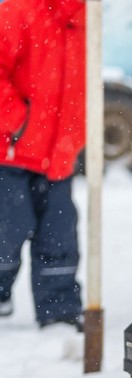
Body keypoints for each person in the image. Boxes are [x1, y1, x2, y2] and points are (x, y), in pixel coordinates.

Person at [0, 0, 85, 329]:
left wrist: (77, 135)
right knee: (7, 232)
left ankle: (60, 313)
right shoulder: (18, 11)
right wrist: (18, 121)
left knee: (59, 238)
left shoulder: (86, 20)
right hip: (10, 153)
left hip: (59, 157)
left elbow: (81, 85)